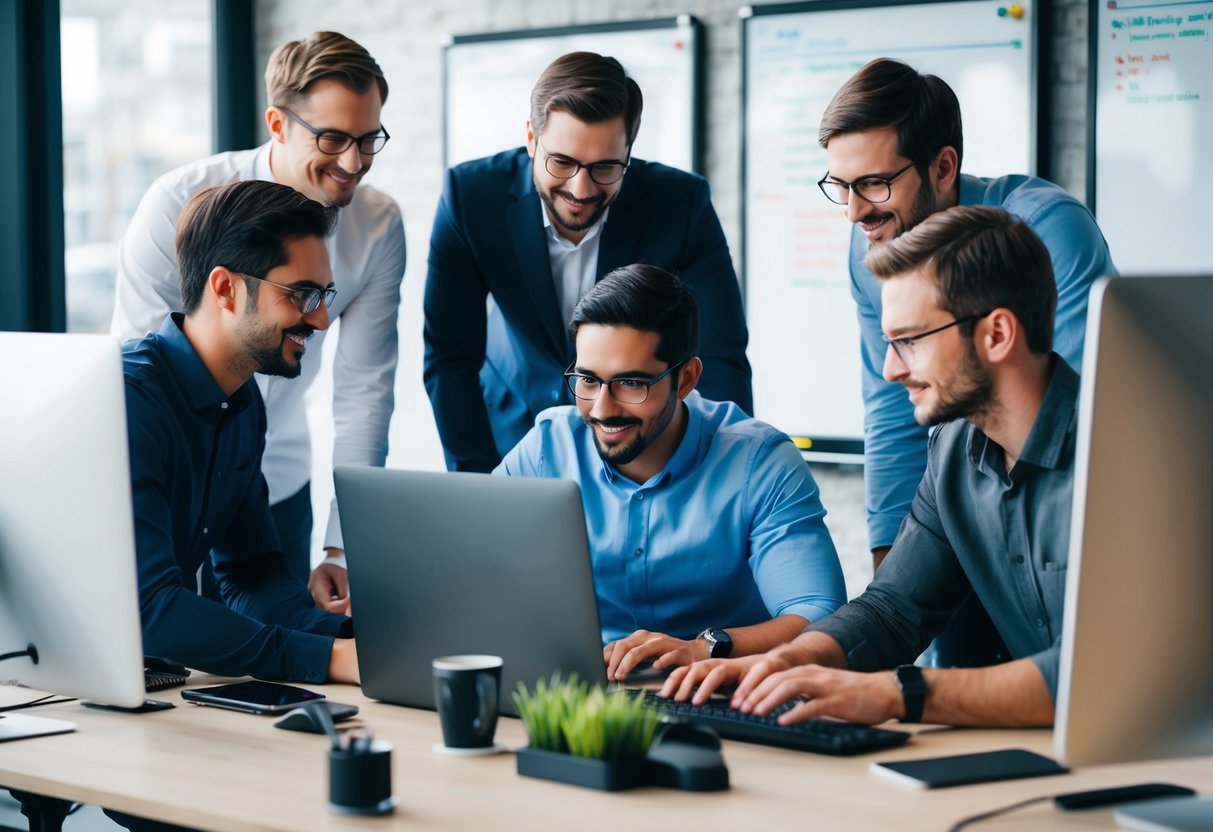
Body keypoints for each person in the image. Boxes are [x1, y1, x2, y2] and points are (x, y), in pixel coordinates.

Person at [662, 206, 1074, 728]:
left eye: (909, 340)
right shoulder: (952, 450)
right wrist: (784, 662)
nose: (890, 368)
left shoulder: (1125, 454)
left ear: (996, 335)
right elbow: (891, 610)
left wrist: (896, 694)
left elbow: (1096, 673)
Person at [111, 31, 405, 614]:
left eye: (369, 139)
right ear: (277, 122)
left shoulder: (375, 226)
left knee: (280, 658)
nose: (354, 163)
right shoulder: (178, 204)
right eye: (333, 138)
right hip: (170, 489)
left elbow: (364, 393)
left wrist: (344, 547)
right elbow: (144, 383)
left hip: (276, 482)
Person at [817, 58, 1113, 574]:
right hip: (955, 517)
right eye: (841, 186)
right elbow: (891, 410)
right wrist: (894, 570)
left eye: (873, 184)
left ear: (943, 167)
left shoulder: (1047, 231)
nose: (854, 212)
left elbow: (1079, 419)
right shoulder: (871, 245)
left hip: (1064, 525)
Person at [496, 264, 845, 682]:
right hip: (585, 695)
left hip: (725, 693)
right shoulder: (545, 450)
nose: (603, 409)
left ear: (686, 379)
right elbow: (472, 569)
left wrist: (705, 648)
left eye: (630, 383)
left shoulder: (761, 463)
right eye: (588, 380)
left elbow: (819, 616)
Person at [426, 51, 752, 475]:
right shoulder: (470, 198)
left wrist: (725, 477)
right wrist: (475, 484)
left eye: (605, 168)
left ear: (629, 153)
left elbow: (721, 356)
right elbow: (450, 358)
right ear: (531, 137)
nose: (580, 189)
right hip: (510, 433)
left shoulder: (682, 204)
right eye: (561, 162)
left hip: (642, 444)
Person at [123, 179, 358, 686]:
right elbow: (149, 607)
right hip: (53, 694)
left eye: (325, 295)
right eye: (303, 295)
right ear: (225, 288)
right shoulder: (130, 400)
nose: (320, 318)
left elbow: (253, 572)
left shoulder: (243, 400)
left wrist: (347, 638)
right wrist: (328, 661)